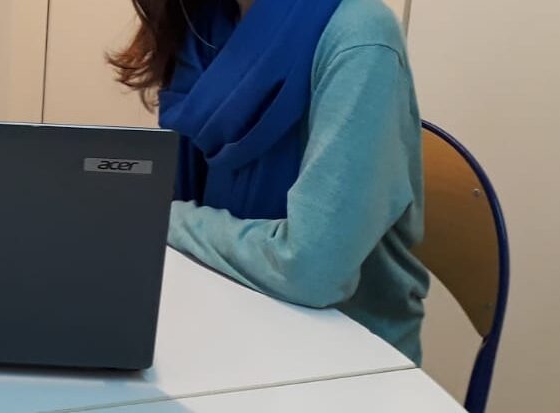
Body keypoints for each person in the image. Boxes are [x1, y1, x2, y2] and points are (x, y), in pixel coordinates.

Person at [109, 0, 428, 362]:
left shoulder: (361, 34)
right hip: (227, 319)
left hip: (347, 359)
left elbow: (311, 269)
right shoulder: (206, 27)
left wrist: (166, 219)